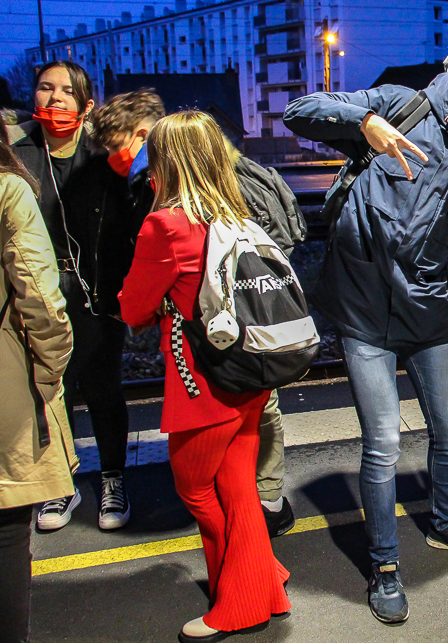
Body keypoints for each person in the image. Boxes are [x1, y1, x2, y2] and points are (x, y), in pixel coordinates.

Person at [283, 24, 448, 623]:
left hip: (427, 309)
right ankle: (385, 564)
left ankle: (446, 522)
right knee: (385, 443)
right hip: (365, 308)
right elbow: (299, 110)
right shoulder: (401, 101)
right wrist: (363, 124)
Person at [93, 90, 296, 537]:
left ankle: (258, 513)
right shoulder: (223, 184)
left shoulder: (167, 209)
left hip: (214, 339)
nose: (119, 159)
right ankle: (266, 508)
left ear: (151, 139)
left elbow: (138, 302)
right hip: (250, 326)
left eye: (120, 146)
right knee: (254, 425)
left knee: (203, 480)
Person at [118, 112, 290, 641]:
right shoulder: (237, 215)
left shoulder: (164, 223)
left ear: (167, 163)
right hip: (249, 372)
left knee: (196, 489)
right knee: (237, 484)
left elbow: (133, 308)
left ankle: (238, 599)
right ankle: (264, 583)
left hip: (202, 381)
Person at [7, 60, 135, 532]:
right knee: (51, 391)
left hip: (98, 292)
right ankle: (61, 483)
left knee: (103, 388)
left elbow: (131, 222)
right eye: (45, 88)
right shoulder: (17, 153)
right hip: (38, 292)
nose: (54, 98)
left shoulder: (107, 156)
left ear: (86, 105)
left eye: (66, 91)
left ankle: (113, 478)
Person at [0, 126, 77, 643]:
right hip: (6, 378)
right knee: (6, 530)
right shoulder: (8, 188)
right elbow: (39, 298)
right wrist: (50, 372)